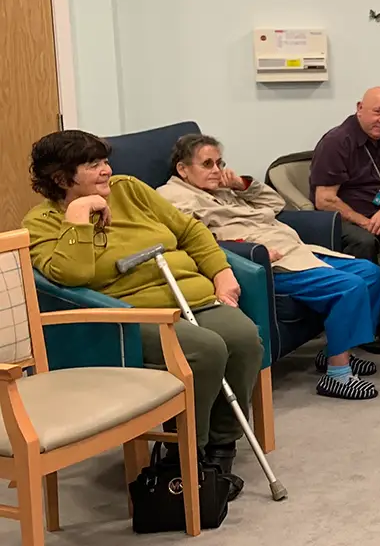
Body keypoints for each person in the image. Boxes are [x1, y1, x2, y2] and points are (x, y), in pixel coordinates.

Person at [24, 130, 262, 493]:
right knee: (205, 349)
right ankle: (183, 453)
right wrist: (78, 215)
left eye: (105, 161)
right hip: (131, 315)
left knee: (244, 338)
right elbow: (70, 275)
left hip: (191, 295)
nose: (106, 171)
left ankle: (222, 445)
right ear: (60, 178)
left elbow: (190, 231)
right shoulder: (40, 223)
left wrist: (222, 272)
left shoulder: (130, 190)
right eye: (93, 165)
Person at [158, 134, 380, 401]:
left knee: (371, 274)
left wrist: (242, 185)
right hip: (266, 262)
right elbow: (192, 236)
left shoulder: (221, 187)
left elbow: (275, 204)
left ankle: (336, 350)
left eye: (219, 163)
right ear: (182, 169)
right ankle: (338, 376)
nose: (217, 171)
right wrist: (244, 244)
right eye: (207, 164)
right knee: (349, 286)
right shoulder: (171, 196)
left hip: (297, 251)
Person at [309, 85, 380, 354]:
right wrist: (368, 222)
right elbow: (324, 199)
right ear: (359, 108)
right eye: (378, 111)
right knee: (364, 242)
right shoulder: (337, 141)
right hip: (344, 219)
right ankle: (366, 329)